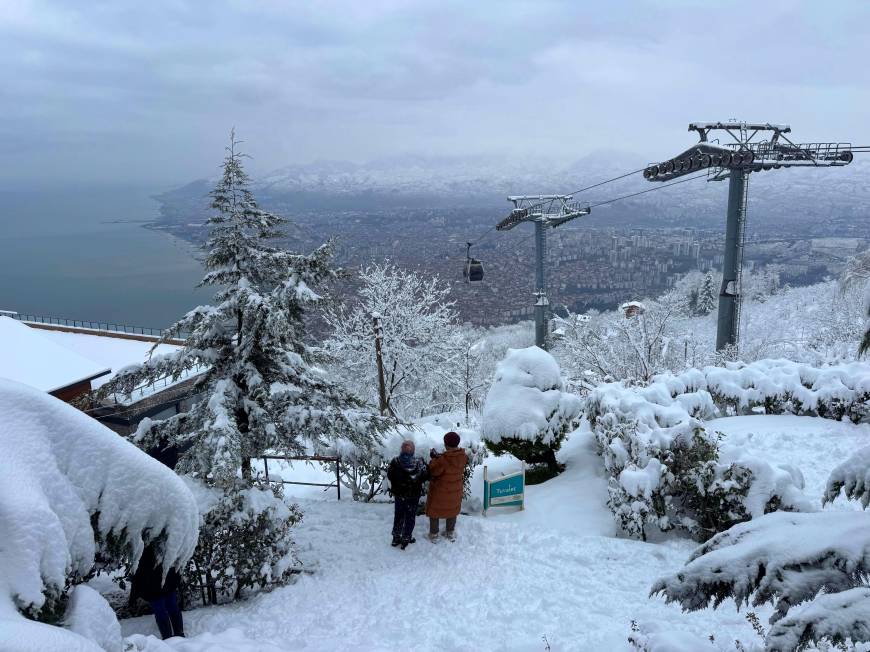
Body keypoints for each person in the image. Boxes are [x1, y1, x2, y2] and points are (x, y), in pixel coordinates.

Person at [130, 543, 184, 639]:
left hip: (166, 577)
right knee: (160, 610)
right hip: (151, 582)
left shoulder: (166, 535)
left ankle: (179, 635)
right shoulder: (141, 542)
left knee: (171, 606)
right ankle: (168, 638)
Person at [426, 431, 468, 543]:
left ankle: (434, 535)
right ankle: (450, 532)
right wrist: (439, 456)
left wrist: (434, 458)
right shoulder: (462, 456)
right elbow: (451, 459)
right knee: (452, 509)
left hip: (441, 490)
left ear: (446, 444)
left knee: (434, 511)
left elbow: (434, 470)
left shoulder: (443, 460)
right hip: (455, 490)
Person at [387, 440, 428, 549]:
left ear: (401, 450)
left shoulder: (395, 462)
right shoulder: (419, 463)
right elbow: (426, 476)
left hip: (399, 495)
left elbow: (390, 476)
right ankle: (406, 537)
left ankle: (396, 537)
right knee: (410, 516)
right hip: (413, 495)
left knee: (399, 515)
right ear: (413, 451)